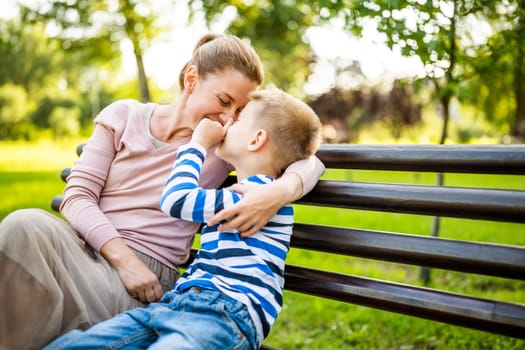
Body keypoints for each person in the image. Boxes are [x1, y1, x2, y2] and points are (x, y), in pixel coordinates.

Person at [0, 34, 325, 350]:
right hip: (89, 253)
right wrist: (124, 261)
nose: (227, 118)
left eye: (237, 113)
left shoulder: (220, 148)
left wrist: (279, 192)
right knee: (23, 225)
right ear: (192, 78)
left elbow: (308, 158)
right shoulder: (123, 115)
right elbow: (77, 196)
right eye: (224, 101)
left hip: (148, 283)